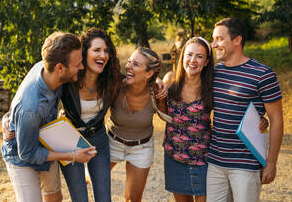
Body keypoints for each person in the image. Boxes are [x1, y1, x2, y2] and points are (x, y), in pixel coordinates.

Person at [1, 32, 96, 202]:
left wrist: (9, 116)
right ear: (60, 68)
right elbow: (27, 154)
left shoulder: (46, 66)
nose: (82, 67)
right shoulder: (31, 108)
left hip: (45, 141)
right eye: (78, 64)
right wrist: (73, 155)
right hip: (22, 156)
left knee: (54, 198)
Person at [206, 18, 284, 202]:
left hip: (246, 165)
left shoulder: (263, 74)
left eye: (219, 39)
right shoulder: (216, 72)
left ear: (237, 40)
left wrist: (271, 162)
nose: (214, 44)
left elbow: (277, 119)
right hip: (215, 162)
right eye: (213, 39)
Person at [60, 28, 122, 202]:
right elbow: (42, 90)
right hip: (69, 140)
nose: (103, 55)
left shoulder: (112, 79)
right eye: (96, 50)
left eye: (106, 51)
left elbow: (136, 79)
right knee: (80, 198)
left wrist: (159, 82)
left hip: (98, 139)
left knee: (104, 198)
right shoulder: (68, 79)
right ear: (83, 53)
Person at [107, 47, 168, 202]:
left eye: (135, 64)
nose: (128, 66)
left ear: (148, 74)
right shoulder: (116, 86)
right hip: (112, 142)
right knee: (99, 188)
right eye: (129, 62)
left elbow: (167, 117)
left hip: (141, 148)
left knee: (133, 198)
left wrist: (163, 83)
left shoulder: (156, 92)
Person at [162, 37, 214, 202]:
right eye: (189, 54)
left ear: (206, 62)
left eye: (199, 56)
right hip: (174, 156)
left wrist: (260, 117)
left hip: (203, 159)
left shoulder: (212, 86)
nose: (193, 60)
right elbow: (163, 113)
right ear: (182, 56)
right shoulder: (171, 81)